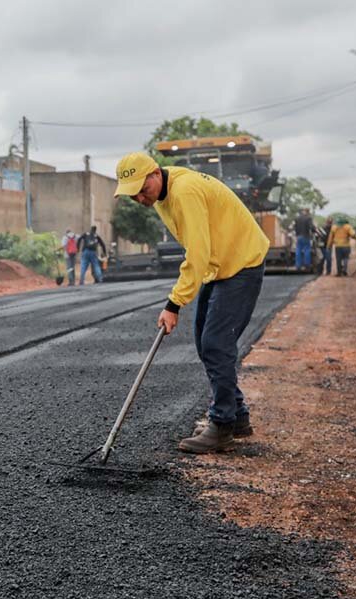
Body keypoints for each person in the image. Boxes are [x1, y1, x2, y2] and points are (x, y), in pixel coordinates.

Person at [114, 151, 269, 453]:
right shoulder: (163, 193)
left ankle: (222, 425)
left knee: (215, 343)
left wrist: (174, 303)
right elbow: (199, 251)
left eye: (142, 191)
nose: (140, 200)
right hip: (221, 265)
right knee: (205, 341)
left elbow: (196, 252)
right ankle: (237, 416)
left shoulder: (184, 192)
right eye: (133, 196)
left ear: (155, 175)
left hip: (241, 263)